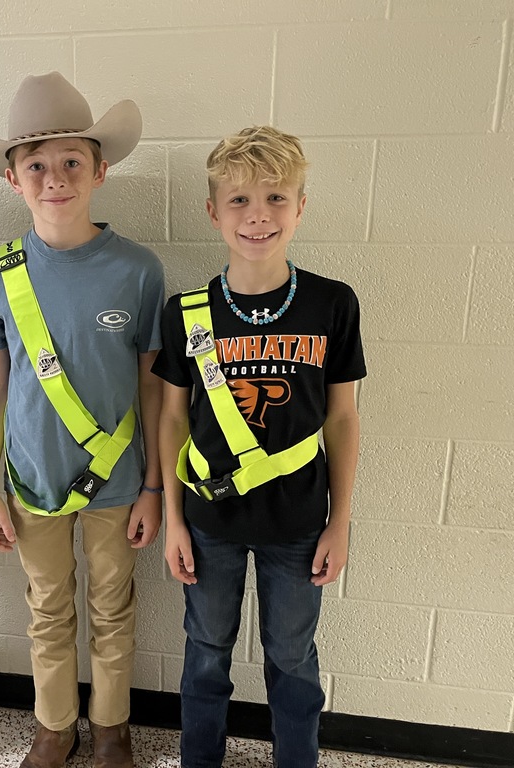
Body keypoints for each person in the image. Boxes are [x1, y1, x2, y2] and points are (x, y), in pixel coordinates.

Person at [0, 72, 165, 768]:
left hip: (116, 480)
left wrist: (154, 487)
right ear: (13, 179)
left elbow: (153, 386)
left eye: (72, 161)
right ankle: (55, 727)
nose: (55, 178)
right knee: (47, 609)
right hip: (32, 481)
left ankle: (111, 729)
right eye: (36, 165)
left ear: (101, 170)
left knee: (113, 608)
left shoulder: (137, 270)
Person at [154, 126, 366, 768]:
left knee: (293, 656)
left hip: (301, 521)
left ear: (301, 207)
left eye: (276, 198)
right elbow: (170, 420)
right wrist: (171, 519)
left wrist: (341, 523)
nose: (259, 216)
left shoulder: (333, 304)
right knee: (206, 651)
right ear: (214, 212)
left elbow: (344, 417)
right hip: (208, 517)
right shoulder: (185, 311)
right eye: (240, 200)